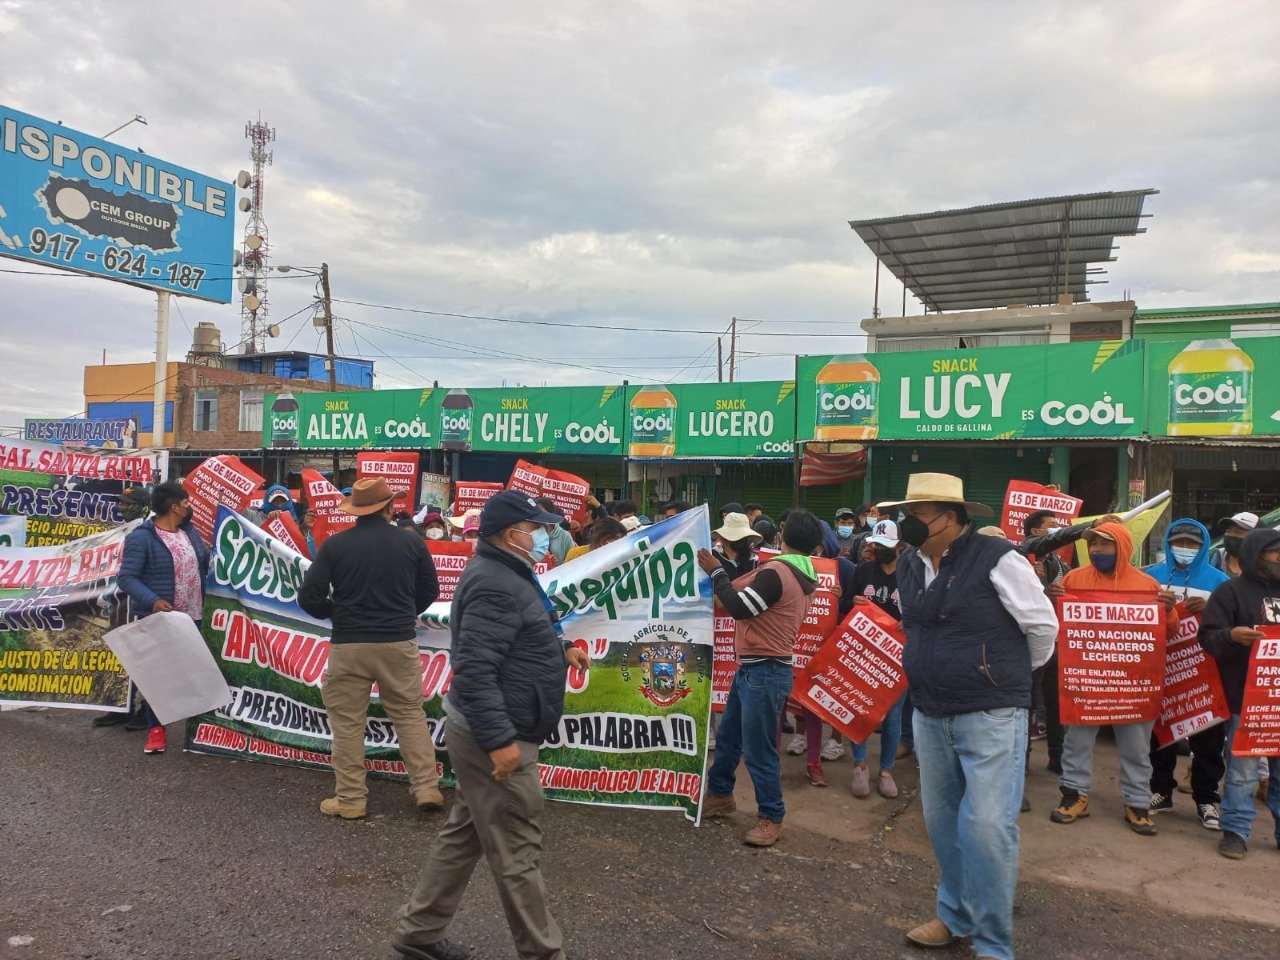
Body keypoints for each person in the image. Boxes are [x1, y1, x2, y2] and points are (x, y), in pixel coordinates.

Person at [392, 491, 590, 960]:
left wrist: (560, 651)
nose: (543, 536)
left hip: (492, 727)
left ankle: (417, 933)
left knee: (466, 834)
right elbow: (476, 667)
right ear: (511, 534)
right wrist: (500, 741)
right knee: (517, 847)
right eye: (535, 528)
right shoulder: (496, 582)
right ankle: (544, 953)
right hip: (494, 735)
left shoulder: (509, 572)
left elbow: (515, 636)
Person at [886, 474, 1058, 960]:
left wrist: (1006, 677)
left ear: (951, 516)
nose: (908, 524)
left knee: (986, 826)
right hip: (930, 711)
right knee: (943, 824)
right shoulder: (910, 565)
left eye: (918, 516)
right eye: (908, 515)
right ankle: (956, 916)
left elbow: (1042, 626)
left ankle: (994, 945)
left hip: (992, 713)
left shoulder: (998, 558)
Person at [298, 478, 444, 819]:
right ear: (390, 508)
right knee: (409, 715)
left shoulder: (336, 546)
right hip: (398, 641)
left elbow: (308, 597)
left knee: (348, 723)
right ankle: (426, 788)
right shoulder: (412, 543)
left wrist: (336, 612)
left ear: (357, 512)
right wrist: (405, 612)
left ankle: (350, 800)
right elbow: (430, 590)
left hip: (349, 643)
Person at [700, 510, 823, 847]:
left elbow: (739, 607)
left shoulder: (777, 573)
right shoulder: (800, 572)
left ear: (782, 536)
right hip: (757, 667)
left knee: (758, 750)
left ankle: (772, 815)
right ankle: (721, 794)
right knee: (729, 738)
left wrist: (716, 572)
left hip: (765, 669)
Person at [1048, 522, 1179, 837]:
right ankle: (1074, 794)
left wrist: (1170, 612)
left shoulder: (1148, 586)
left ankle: (1137, 802)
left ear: (1122, 547)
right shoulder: (1072, 580)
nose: (1096, 551)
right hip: (1087, 681)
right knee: (1077, 740)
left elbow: (1168, 634)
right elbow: (1053, 624)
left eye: (1105, 545)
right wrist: (1052, 601)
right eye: (1093, 545)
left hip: (1132, 684)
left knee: (1135, 746)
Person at [1199, 526, 1280, 859]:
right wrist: (1231, 636)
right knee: (1244, 773)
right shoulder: (1229, 593)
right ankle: (1235, 831)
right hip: (1245, 700)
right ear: (1257, 555)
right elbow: (1208, 638)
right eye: (1276, 553)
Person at [1143, 519, 1229, 830]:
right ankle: (1160, 790)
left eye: (1192, 544)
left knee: (1208, 738)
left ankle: (1206, 798)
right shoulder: (1151, 576)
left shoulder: (1220, 581)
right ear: (1167, 542)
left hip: (1203, 672)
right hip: (1161, 669)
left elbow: (1230, 624)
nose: (1185, 549)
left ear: (1204, 545)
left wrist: (1209, 610)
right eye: (1179, 542)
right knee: (1159, 735)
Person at [116, 482, 210, 755]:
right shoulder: (142, 537)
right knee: (161, 677)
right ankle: (156, 729)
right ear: (174, 506)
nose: (189, 506)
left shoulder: (189, 533)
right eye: (186, 502)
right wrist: (153, 601)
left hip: (193, 614)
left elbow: (203, 564)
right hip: (161, 617)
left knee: (194, 672)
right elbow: (126, 577)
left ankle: (199, 728)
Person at [847, 519, 907, 799]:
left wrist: (911, 621)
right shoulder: (863, 571)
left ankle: (885, 770)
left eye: (885, 546)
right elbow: (845, 606)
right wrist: (853, 603)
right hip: (864, 653)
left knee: (893, 715)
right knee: (860, 707)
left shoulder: (910, 574)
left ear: (899, 547)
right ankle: (859, 764)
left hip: (897, 657)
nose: (877, 549)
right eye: (876, 544)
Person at [712, 512, 762, 580]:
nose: (741, 539)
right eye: (737, 536)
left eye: (744, 537)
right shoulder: (713, 557)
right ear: (723, 538)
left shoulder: (754, 561)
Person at [1210, 511, 1259, 576]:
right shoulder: (1214, 559)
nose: (1231, 535)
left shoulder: (1265, 566)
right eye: (1228, 531)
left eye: (1238, 532)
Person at [534, 498, 574, 564]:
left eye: (541, 512)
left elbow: (572, 563)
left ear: (550, 514)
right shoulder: (532, 532)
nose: (538, 515)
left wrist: (559, 564)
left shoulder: (565, 536)